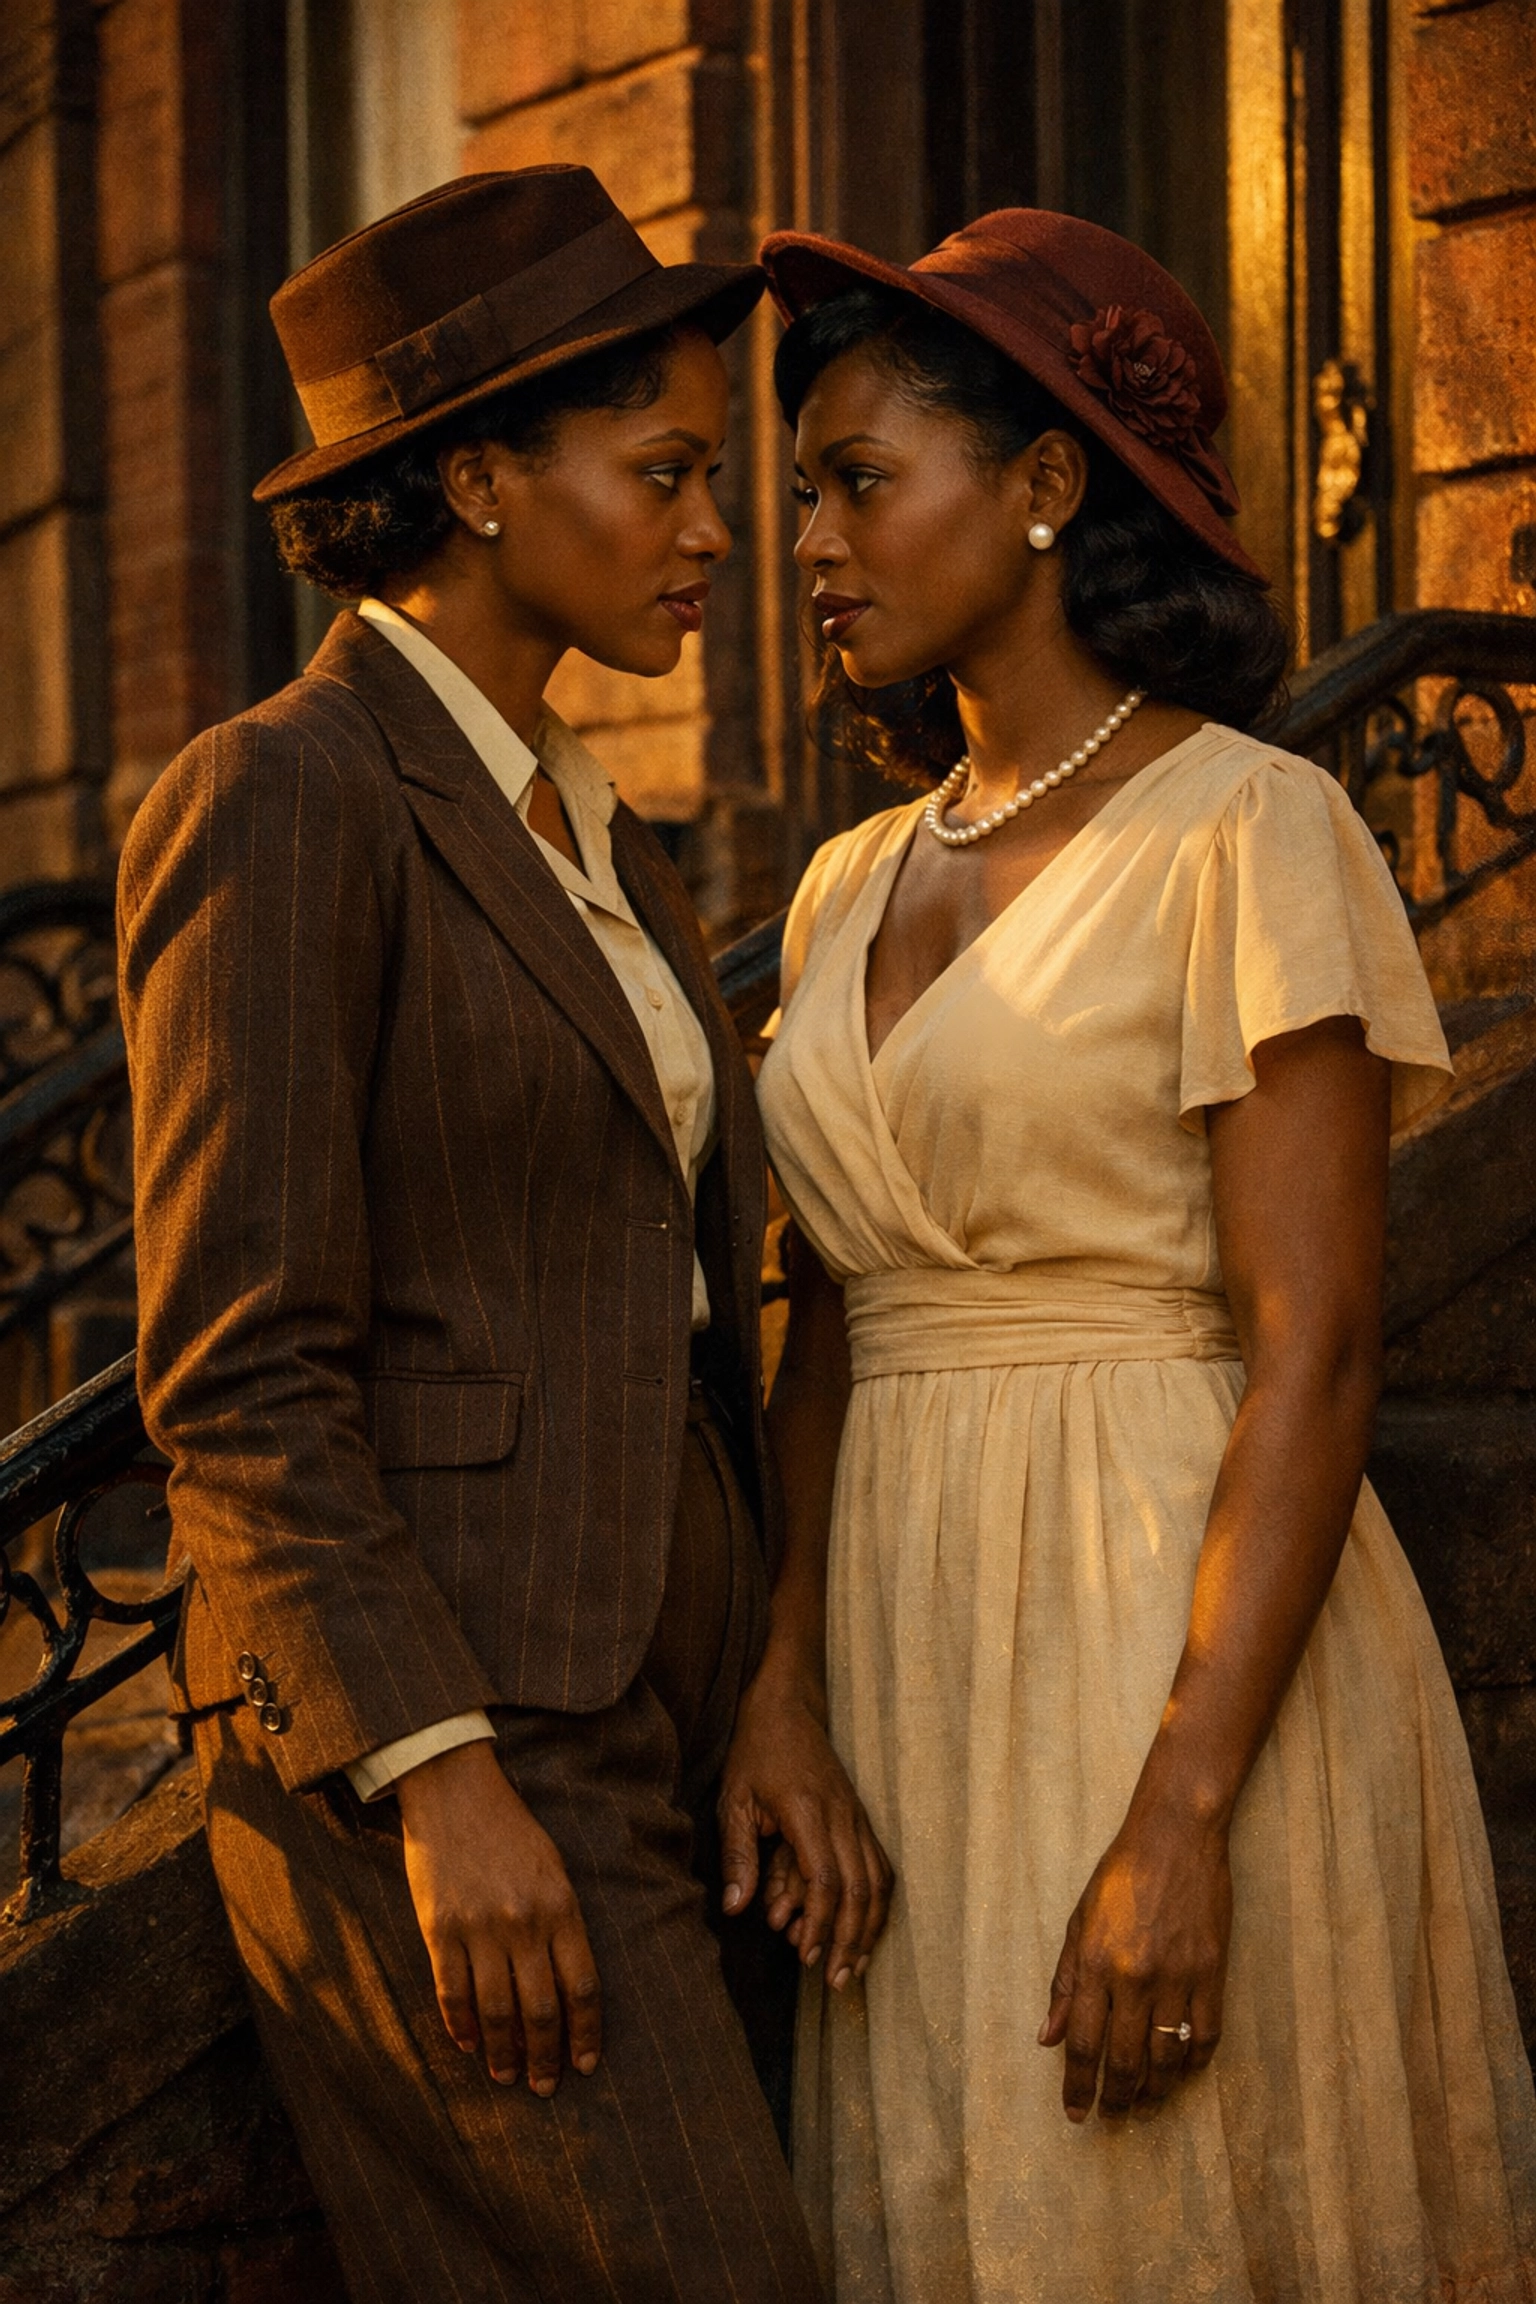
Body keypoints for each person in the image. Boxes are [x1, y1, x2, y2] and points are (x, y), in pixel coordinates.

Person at [751, 206, 1536, 2301]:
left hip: (1159, 1650)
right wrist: (779, 1686)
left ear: (1042, 487)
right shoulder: (840, 888)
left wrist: (1182, 1812)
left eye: (856, 481)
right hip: (906, 1675)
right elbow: (827, 1332)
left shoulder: (1247, 832)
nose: (808, 543)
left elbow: (1322, 1347)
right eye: (795, 495)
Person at [119, 164, 882, 2303]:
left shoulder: (590, 827)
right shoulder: (287, 792)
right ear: (474, 478)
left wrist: (767, 1692)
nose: (722, 531)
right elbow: (240, 1367)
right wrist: (443, 1782)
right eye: (665, 473)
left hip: (667, 1735)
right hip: (448, 1761)